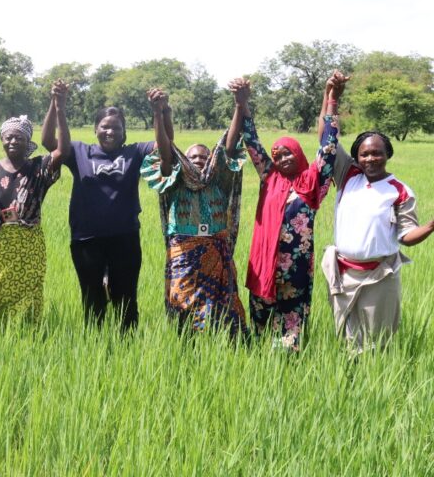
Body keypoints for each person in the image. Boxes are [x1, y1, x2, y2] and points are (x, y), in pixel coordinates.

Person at [320, 72, 434, 351]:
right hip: (343, 274)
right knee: (346, 341)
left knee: (378, 342)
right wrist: (332, 98)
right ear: (356, 157)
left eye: (377, 153)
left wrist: (431, 226)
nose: (371, 158)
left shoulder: (399, 190)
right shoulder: (347, 175)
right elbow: (327, 143)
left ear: (387, 154)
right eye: (365, 154)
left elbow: (406, 235)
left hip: (379, 276)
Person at [140, 85, 247, 335]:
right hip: (183, 252)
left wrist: (239, 106)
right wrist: (159, 114)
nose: (198, 159)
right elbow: (166, 150)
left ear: (211, 159)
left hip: (216, 250)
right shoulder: (176, 180)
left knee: (222, 309)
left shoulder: (218, 181)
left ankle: (225, 350)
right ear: (185, 161)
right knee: (181, 305)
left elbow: (228, 147)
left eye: (203, 156)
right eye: (193, 156)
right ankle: (187, 349)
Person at [41, 94, 154, 332]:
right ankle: (96, 346)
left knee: (126, 300)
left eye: (116, 127)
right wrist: (57, 107)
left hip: (125, 238)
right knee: (93, 300)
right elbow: (49, 142)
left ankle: (128, 350)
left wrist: (160, 112)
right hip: (86, 240)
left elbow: (165, 147)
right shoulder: (80, 152)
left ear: (124, 131)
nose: (110, 132)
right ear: (95, 129)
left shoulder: (135, 152)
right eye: (104, 127)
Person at [241, 79, 339, 351]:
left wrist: (332, 102)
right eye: (278, 155)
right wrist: (242, 103)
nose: (283, 159)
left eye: (288, 153)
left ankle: (289, 363)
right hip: (264, 265)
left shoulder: (313, 182)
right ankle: (259, 360)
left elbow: (328, 148)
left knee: (292, 322)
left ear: (298, 154)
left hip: (294, 269)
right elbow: (251, 141)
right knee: (261, 321)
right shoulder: (269, 177)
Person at [0, 80, 70, 324]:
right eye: (8, 137)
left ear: (27, 142)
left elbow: (62, 151)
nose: (13, 141)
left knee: (26, 310)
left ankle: (26, 343)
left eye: (19, 138)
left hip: (27, 248)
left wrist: (58, 107)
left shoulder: (38, 169)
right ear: (2, 139)